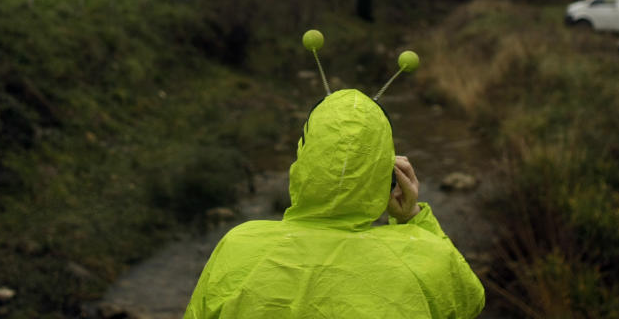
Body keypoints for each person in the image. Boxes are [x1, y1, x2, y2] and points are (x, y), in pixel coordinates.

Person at [183, 88, 486, 318]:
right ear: (388, 172)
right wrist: (414, 219)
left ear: (303, 160)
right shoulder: (425, 257)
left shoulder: (239, 247)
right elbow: (468, 301)